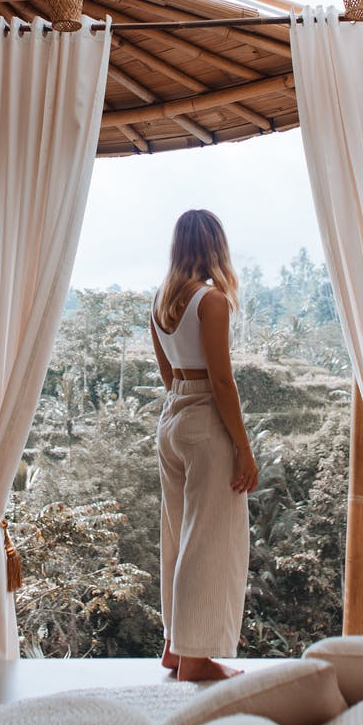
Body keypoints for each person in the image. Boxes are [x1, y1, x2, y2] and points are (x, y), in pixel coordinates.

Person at [150, 209, 259, 681]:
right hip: (203, 420)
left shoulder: (159, 302)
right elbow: (221, 380)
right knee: (209, 541)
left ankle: (176, 647)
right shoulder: (211, 301)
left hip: (172, 417)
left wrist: (182, 406)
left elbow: (168, 374)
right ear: (216, 245)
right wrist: (243, 446)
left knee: (177, 533)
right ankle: (196, 659)